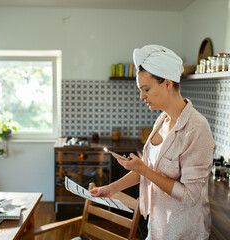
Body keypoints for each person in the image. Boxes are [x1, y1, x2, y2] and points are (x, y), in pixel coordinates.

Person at [90, 45, 216, 239]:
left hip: (182, 231)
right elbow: (148, 168)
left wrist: (143, 169)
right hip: (157, 226)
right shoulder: (162, 120)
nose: (141, 96)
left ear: (167, 83)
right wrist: (111, 189)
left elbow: (191, 196)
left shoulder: (196, 128)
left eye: (146, 89)